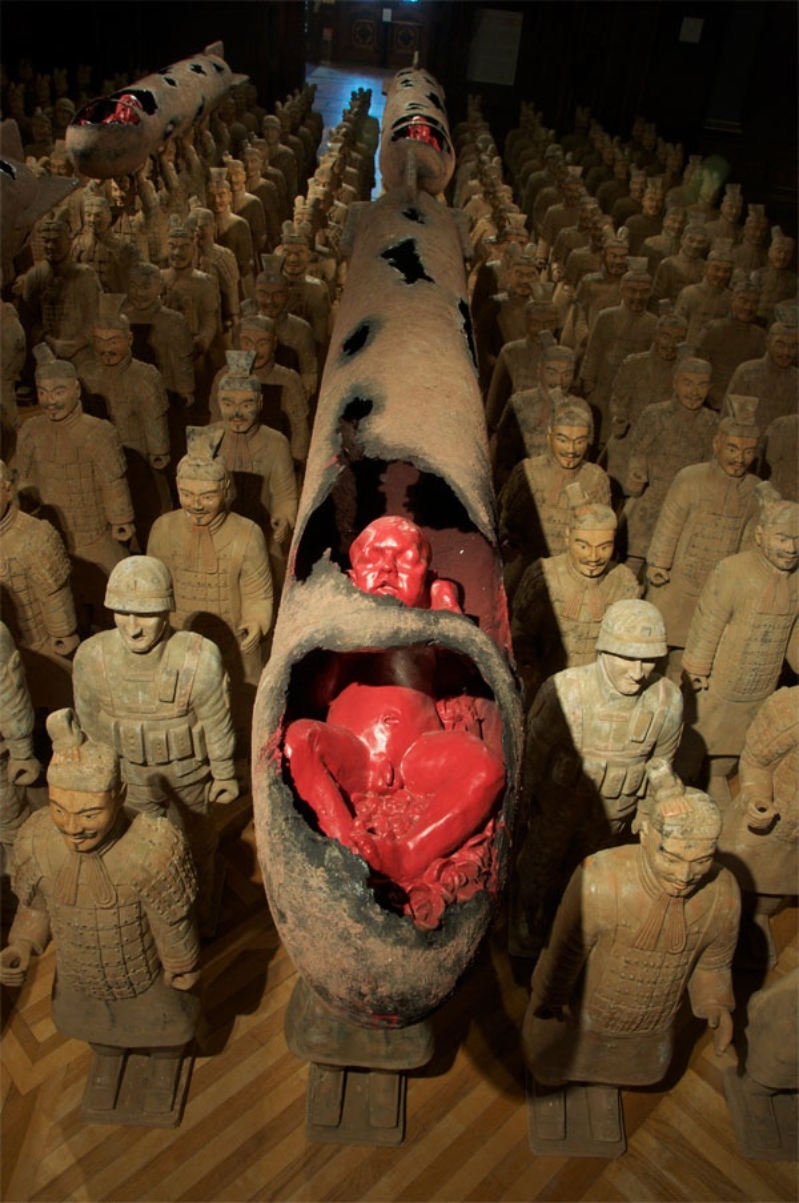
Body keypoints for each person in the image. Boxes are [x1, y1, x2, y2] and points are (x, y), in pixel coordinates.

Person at [283, 516, 505, 932]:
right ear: (351, 578)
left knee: (486, 769)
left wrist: (446, 610)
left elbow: (470, 671)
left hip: (417, 754)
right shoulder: (341, 631)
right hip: (353, 751)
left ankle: (407, 854)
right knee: (299, 739)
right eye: (373, 558)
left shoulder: (430, 629)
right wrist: (349, 632)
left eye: (404, 558)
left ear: (429, 577)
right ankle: (348, 848)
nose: (387, 566)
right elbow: (316, 696)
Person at [0, 707, 200, 1120]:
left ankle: (164, 1066)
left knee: (164, 1029)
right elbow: (35, 906)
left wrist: (181, 964)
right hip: (79, 971)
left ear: (119, 796)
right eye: (60, 810)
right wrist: (20, 943)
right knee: (97, 1028)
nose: (73, 828)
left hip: (142, 970)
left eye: (90, 814)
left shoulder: (151, 848)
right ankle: (108, 1059)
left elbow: (170, 919)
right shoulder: (38, 840)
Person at [523, 763, 739, 1113]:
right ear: (647, 834)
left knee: (635, 1071)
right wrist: (550, 997)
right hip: (584, 1014)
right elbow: (565, 951)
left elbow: (714, 963)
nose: (685, 875)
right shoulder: (601, 879)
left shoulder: (722, 894)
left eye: (701, 861)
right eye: (671, 857)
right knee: (552, 1066)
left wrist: (716, 1004)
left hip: (651, 1025)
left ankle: (604, 1090)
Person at [72, 556, 238, 934]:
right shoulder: (92, 658)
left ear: (166, 611)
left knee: (196, 841)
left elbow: (217, 720)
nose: (133, 628)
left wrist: (225, 773)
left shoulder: (198, 657)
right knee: (140, 847)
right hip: (128, 776)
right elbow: (89, 726)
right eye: (123, 613)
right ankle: (157, 910)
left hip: (187, 774)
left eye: (145, 615)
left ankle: (199, 903)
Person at [511, 600, 683, 956]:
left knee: (589, 873)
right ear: (604, 649)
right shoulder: (567, 691)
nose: (638, 672)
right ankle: (527, 921)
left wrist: (651, 811)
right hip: (556, 810)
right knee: (539, 868)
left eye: (648, 660)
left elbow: (661, 764)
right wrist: (521, 806)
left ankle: (570, 922)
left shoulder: (666, 700)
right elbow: (533, 757)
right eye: (628, 658)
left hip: (614, 815)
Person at [681, 484, 799, 800]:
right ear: (760, 536)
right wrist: (696, 668)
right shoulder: (733, 571)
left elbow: (794, 633)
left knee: (735, 743)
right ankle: (682, 783)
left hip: (760, 684)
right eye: (782, 538)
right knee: (696, 739)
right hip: (717, 683)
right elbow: (708, 622)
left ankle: (716, 779)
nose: (791, 548)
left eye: (797, 539)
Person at [15, 346, 134, 621]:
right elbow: (25, 479)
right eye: (43, 392)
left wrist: (121, 520)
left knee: (116, 601)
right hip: (52, 538)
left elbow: (112, 481)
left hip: (95, 536)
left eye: (58, 392)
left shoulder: (99, 432)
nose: (50, 401)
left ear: (76, 390)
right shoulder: (30, 431)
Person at [645, 399, 761, 679]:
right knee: (655, 645)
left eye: (748, 452)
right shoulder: (690, 479)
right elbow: (670, 524)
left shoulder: (755, 490)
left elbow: (748, 543)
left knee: (694, 652)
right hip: (677, 581)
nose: (740, 459)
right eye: (732, 449)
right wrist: (659, 563)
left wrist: (742, 586)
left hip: (717, 588)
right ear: (716, 443)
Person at [511, 487, 640, 703]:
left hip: (596, 688)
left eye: (604, 548)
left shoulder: (623, 582)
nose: (594, 557)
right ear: (567, 538)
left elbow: (628, 643)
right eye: (583, 546)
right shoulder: (544, 576)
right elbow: (521, 633)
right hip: (546, 682)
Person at [499, 394, 610, 599]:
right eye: (563, 440)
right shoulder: (527, 470)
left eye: (579, 441)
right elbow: (507, 520)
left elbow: (603, 534)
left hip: (572, 568)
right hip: (525, 558)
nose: (571, 450)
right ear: (550, 437)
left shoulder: (596, 478)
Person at [624, 352, 717, 573]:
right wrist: (637, 474)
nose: (694, 392)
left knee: (669, 566)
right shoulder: (654, 415)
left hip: (686, 506)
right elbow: (638, 452)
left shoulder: (712, 421)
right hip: (650, 499)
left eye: (702, 385)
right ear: (675, 383)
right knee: (634, 563)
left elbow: (711, 464)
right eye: (688, 383)